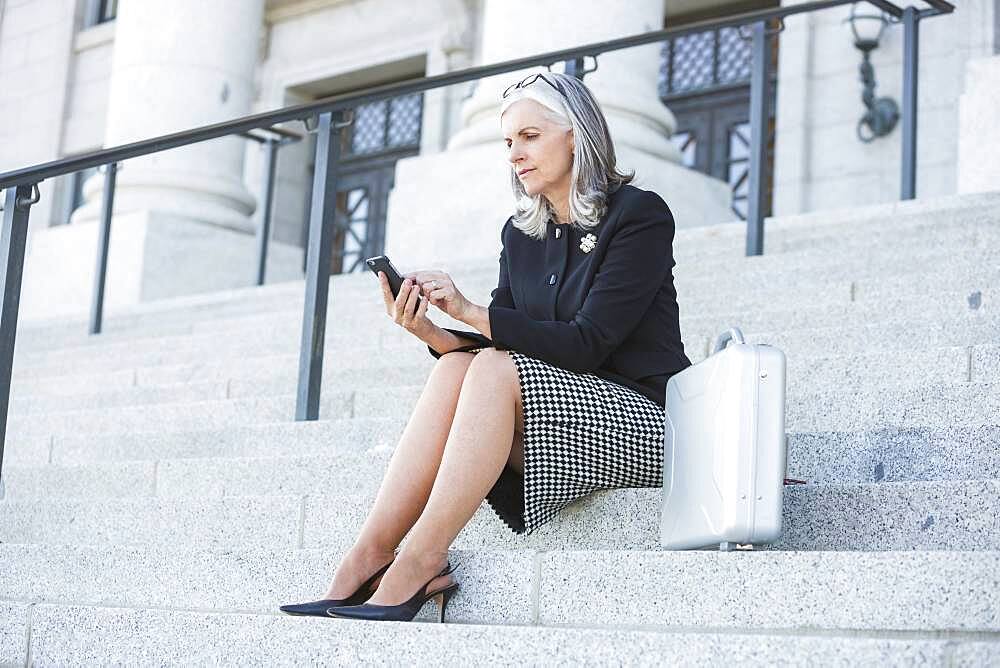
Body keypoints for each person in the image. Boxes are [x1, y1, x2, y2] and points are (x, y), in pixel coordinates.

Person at [279, 70, 691, 623]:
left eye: (530, 136)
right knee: (455, 370)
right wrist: (431, 331)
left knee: (494, 367)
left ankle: (421, 558)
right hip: (555, 413)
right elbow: (504, 337)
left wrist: (471, 312)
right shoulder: (520, 234)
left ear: (577, 134)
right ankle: (371, 553)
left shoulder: (638, 216)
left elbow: (587, 344)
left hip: (644, 416)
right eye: (507, 142)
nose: (515, 154)